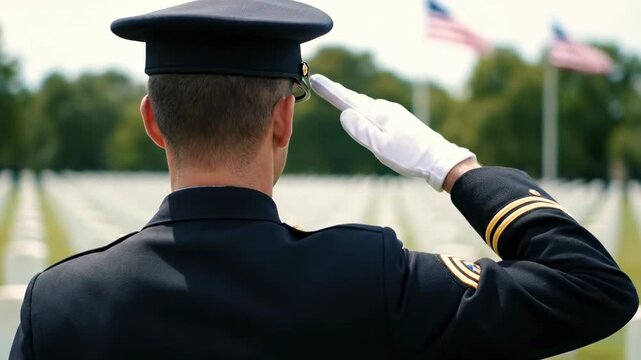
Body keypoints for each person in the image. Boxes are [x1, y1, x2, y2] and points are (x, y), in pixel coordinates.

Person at [10, 0, 638, 358]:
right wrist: (454, 168)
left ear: (152, 121)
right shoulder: (367, 280)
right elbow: (593, 290)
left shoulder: (61, 304)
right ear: (283, 120)